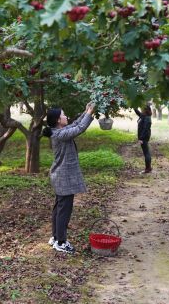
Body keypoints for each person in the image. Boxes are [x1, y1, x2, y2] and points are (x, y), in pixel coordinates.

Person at [43, 102, 95, 254]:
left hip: (61, 176)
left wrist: (86, 112)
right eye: (63, 115)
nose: (66, 117)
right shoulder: (59, 135)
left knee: (59, 209)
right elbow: (79, 128)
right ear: (59, 120)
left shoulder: (59, 131)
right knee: (64, 210)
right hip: (63, 177)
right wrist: (89, 113)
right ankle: (60, 241)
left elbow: (75, 124)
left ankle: (55, 237)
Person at [134, 105, 152, 173]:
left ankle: (148, 168)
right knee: (146, 152)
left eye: (142, 109)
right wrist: (134, 106)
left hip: (144, 137)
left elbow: (145, 129)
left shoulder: (147, 118)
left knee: (146, 152)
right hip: (142, 137)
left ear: (145, 110)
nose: (141, 110)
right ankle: (148, 167)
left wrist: (141, 138)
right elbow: (138, 112)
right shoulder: (143, 116)